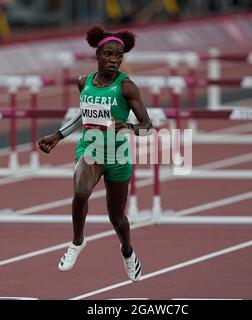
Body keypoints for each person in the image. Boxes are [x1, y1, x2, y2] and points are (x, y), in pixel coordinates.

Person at [38, 26, 153, 282]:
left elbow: (148, 128)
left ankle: (127, 251)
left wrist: (129, 126)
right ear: (98, 54)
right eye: (109, 55)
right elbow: (84, 114)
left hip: (117, 154)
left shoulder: (127, 88)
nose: (114, 60)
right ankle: (77, 242)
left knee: (117, 218)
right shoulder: (84, 82)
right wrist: (58, 136)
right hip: (90, 148)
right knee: (81, 192)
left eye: (118, 56)